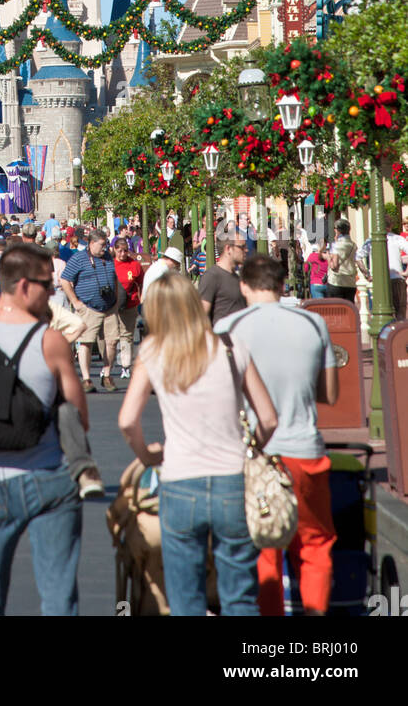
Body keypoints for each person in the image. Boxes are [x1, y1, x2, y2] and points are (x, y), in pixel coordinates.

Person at [119, 270, 278, 616]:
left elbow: (127, 420)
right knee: (239, 596)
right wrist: (253, 449)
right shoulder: (232, 347)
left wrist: (147, 456)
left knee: (185, 597)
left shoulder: (152, 352)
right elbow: (268, 418)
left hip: (179, 479)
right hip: (231, 479)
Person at [0, 242, 87, 615]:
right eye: (48, 285)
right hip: (48, 476)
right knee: (59, 597)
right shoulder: (50, 340)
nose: (53, 292)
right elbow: (79, 415)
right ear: (24, 286)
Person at [215, 254, 339, 616]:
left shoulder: (229, 327)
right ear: (282, 285)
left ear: (244, 286)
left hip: (255, 454)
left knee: (263, 546)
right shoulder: (313, 322)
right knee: (315, 544)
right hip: (305, 448)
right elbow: (329, 394)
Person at [59, 231, 121, 393]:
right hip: (88, 308)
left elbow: (114, 277)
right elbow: (64, 279)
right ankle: (86, 379)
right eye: (101, 244)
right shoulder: (78, 258)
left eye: (106, 244)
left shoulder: (107, 257)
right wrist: (75, 302)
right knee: (86, 342)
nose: (105, 248)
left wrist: (116, 297)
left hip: (110, 307)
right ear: (91, 244)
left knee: (112, 341)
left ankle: (106, 374)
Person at [198, 235, 247, 325]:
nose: (246, 250)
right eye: (242, 247)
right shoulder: (212, 276)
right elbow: (201, 315)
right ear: (228, 249)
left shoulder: (236, 277)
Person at [113, 237, 144, 381]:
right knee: (111, 336)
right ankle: (108, 365)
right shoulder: (109, 264)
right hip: (112, 306)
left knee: (126, 335)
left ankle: (125, 366)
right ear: (114, 250)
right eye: (119, 251)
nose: (122, 254)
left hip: (130, 304)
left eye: (125, 251)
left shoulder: (134, 265)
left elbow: (141, 283)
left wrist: (141, 299)